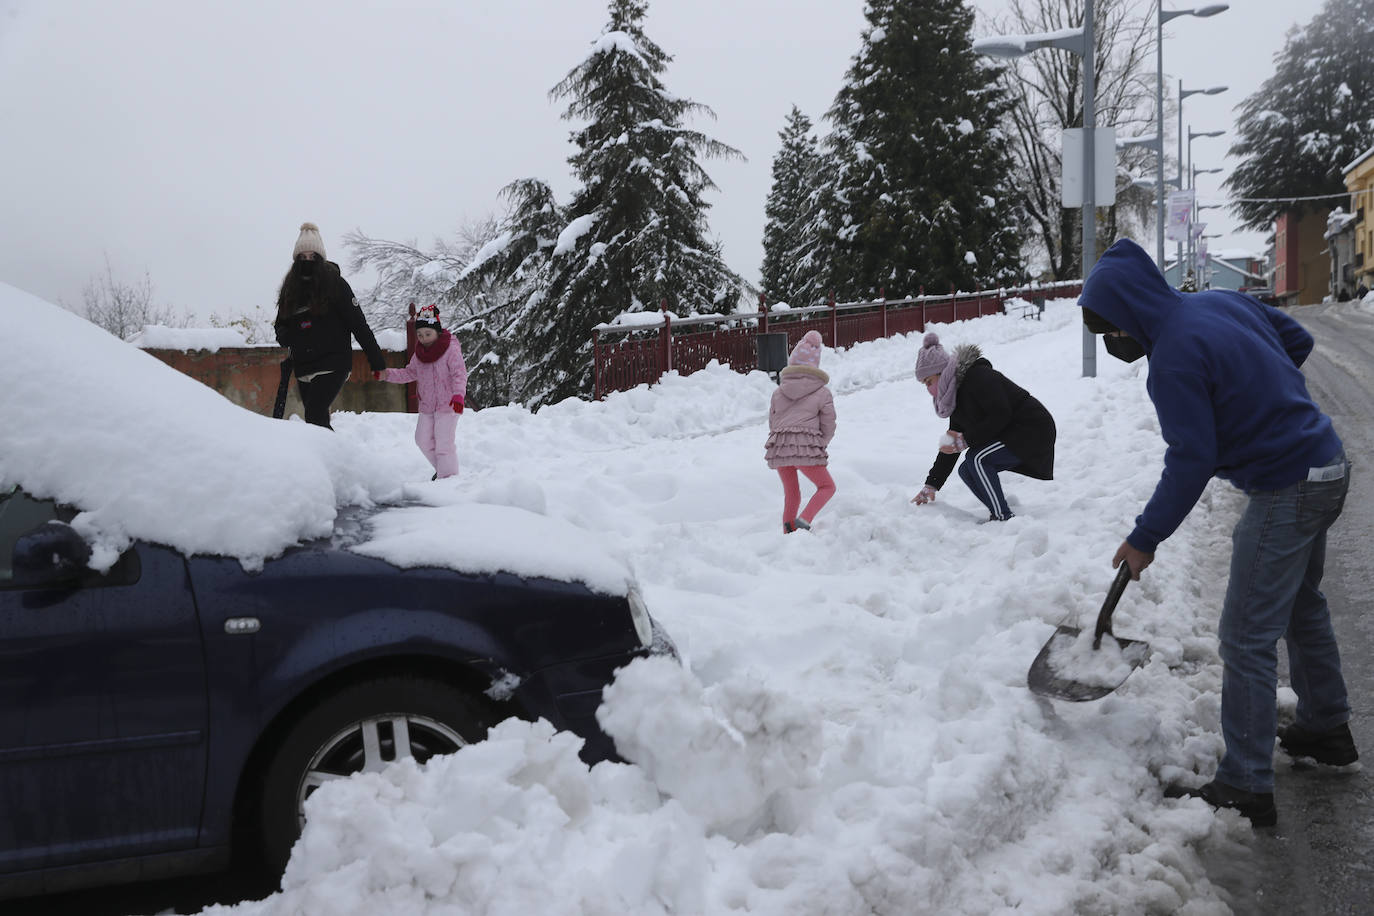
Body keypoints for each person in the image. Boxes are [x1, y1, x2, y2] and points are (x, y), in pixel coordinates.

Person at [1079, 237, 1354, 827]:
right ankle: (1326, 728)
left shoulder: (1172, 359)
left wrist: (1145, 537)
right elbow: (1296, 342)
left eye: (1110, 332)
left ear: (1128, 319)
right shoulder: (1220, 304)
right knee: (1302, 608)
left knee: (1246, 634)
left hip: (1289, 485)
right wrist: (1264, 394)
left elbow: (1191, 458)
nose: (1112, 343)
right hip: (1327, 465)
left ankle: (1246, 782)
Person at [910, 332, 1055, 521]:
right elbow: (952, 443)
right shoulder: (955, 397)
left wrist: (967, 440)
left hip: (1033, 429)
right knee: (966, 469)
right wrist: (932, 484)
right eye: (925, 384)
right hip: (1013, 433)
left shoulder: (978, 377)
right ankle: (999, 510)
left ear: (942, 372)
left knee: (977, 458)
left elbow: (1001, 413)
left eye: (929, 381)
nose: (929, 389)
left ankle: (1002, 516)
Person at [273, 222, 388, 428]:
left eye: (312, 257)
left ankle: (336, 458)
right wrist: (288, 334)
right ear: (296, 260)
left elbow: (358, 324)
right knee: (315, 422)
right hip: (303, 366)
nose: (307, 261)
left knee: (315, 414)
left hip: (333, 364)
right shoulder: (291, 290)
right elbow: (280, 326)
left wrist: (376, 360)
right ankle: (329, 459)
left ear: (320, 258)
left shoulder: (336, 285)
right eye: (303, 257)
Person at [374, 305, 468, 480]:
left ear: (437, 332)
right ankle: (444, 472)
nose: (424, 338)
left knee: (443, 445)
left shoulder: (450, 350)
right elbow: (409, 373)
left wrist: (458, 395)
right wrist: (387, 374)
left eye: (428, 334)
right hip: (427, 406)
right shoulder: (419, 354)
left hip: (448, 404)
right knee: (422, 440)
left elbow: (459, 374)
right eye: (420, 335)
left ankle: (447, 480)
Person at [764, 330, 836, 533]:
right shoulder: (822, 392)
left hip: (780, 447)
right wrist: (820, 443)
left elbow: (773, 420)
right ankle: (804, 520)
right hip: (806, 448)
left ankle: (788, 532)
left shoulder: (778, 392)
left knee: (792, 494)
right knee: (827, 487)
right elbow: (828, 423)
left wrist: (783, 440)